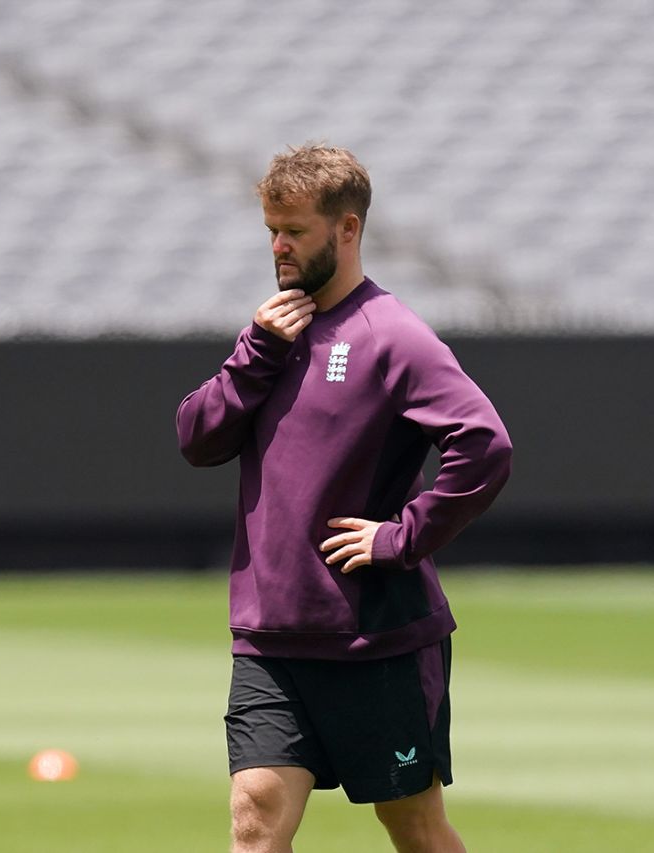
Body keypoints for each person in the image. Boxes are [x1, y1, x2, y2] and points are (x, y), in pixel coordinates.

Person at [176, 144, 512, 853]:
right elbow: (197, 438)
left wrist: (400, 536)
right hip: (269, 634)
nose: (279, 246)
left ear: (347, 229)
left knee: (414, 824)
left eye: (295, 230)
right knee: (255, 815)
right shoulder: (271, 334)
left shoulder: (392, 334)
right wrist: (255, 353)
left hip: (376, 638)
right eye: (272, 229)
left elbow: (484, 445)